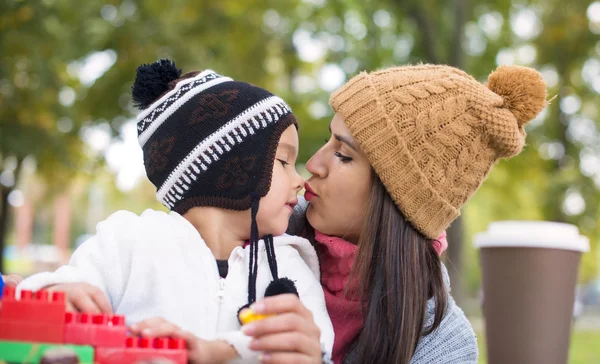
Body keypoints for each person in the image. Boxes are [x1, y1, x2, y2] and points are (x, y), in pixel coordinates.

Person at [18, 59, 334, 363]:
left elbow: (318, 348)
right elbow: (47, 292)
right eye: (282, 161)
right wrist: (57, 293)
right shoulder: (131, 241)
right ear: (230, 168)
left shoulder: (289, 265)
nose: (298, 180)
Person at [242, 64, 548, 363]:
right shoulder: (267, 226)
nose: (312, 165)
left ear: (396, 198)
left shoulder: (445, 347)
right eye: (327, 141)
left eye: (343, 155)